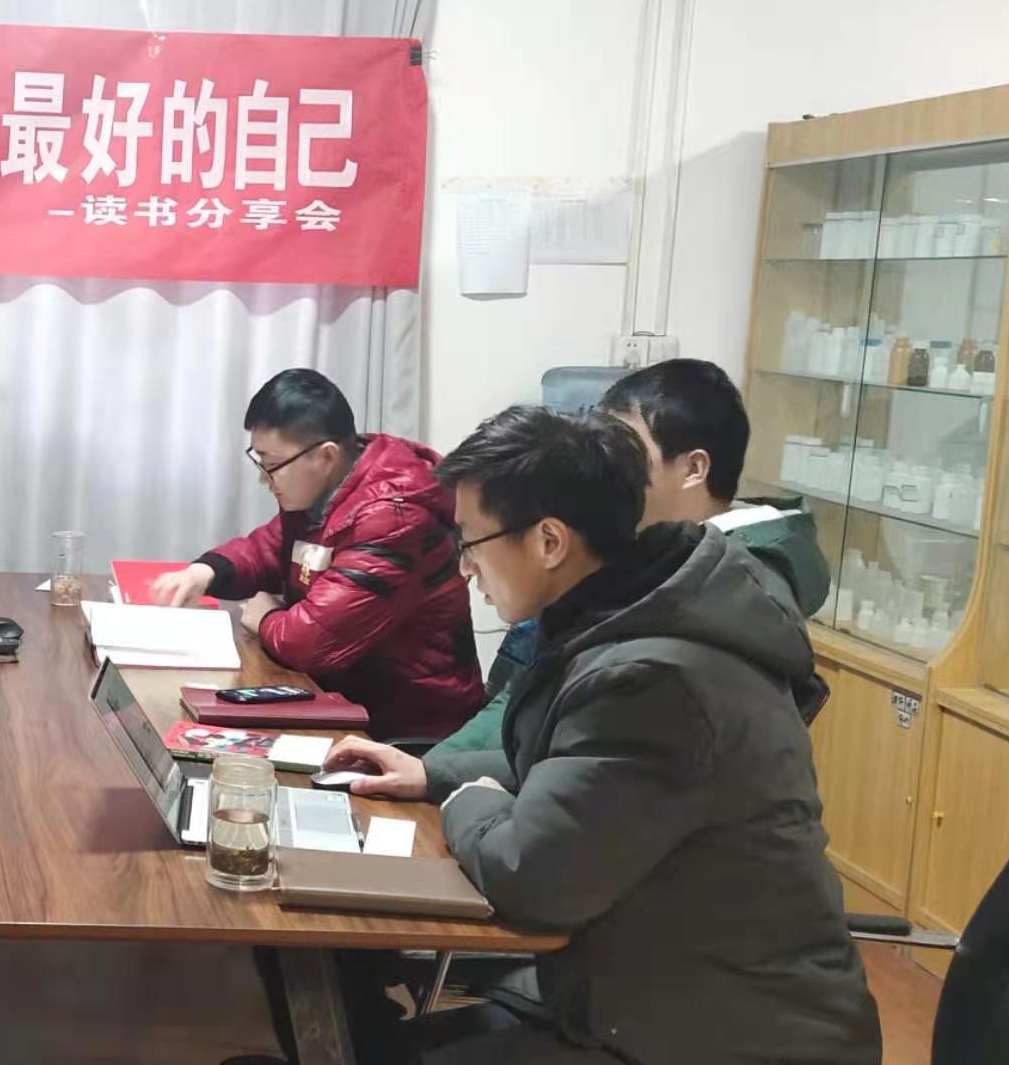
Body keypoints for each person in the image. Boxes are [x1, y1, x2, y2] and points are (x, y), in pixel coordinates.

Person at [324, 406, 880, 1065]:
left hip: (724, 1037)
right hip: (654, 999)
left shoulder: (649, 677)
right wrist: (432, 774)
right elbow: (576, 768)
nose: (464, 568)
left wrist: (468, 800)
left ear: (549, 542)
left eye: (469, 542)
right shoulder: (628, 619)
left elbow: (531, 877)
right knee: (356, 1023)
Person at [430, 359, 831, 755]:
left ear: (694, 468)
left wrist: (446, 774)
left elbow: (587, 743)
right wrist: (437, 769)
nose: (605, 460)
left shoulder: (722, 586)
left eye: (627, 447)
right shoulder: (658, 559)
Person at [149, 369, 482, 739]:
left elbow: (311, 643)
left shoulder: (394, 515)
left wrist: (265, 617)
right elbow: (268, 549)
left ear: (325, 456)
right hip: (339, 697)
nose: (263, 478)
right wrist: (206, 572)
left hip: (407, 727)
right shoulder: (331, 484)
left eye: (272, 465)